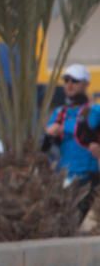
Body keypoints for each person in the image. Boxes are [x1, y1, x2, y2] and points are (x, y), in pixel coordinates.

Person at [43, 63, 100, 222]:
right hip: (64, 179)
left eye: (74, 80)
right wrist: (49, 134)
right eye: (66, 80)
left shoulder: (94, 111)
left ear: (85, 84)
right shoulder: (59, 113)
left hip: (88, 178)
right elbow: (44, 147)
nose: (69, 84)